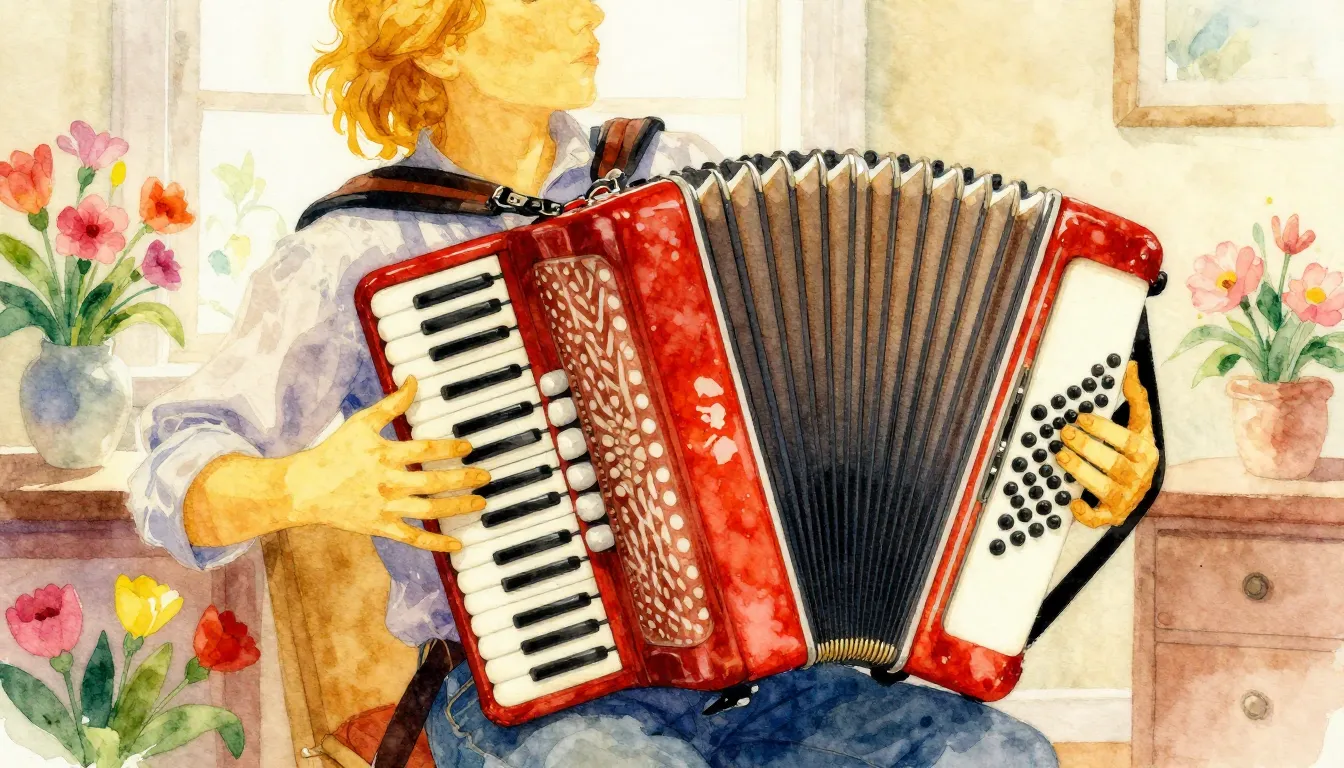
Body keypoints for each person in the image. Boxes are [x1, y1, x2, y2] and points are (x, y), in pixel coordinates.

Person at [131, 1, 1155, 764]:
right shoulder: (357, 245)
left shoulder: (673, 174)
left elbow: (832, 411)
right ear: (438, 40)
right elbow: (171, 469)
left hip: (775, 683)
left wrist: (1066, 458)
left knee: (996, 755)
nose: (589, 10)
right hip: (533, 700)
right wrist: (301, 486)